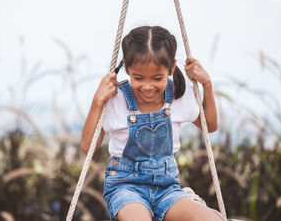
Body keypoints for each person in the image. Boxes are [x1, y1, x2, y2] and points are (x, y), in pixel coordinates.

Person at [81, 26, 223, 221]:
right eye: (138, 78)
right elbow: (87, 147)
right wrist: (97, 102)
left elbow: (211, 126)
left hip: (167, 189)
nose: (148, 86)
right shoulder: (116, 100)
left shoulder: (179, 96)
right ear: (127, 69)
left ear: (172, 68)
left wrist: (207, 85)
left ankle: (190, 200)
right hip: (126, 188)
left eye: (157, 78)